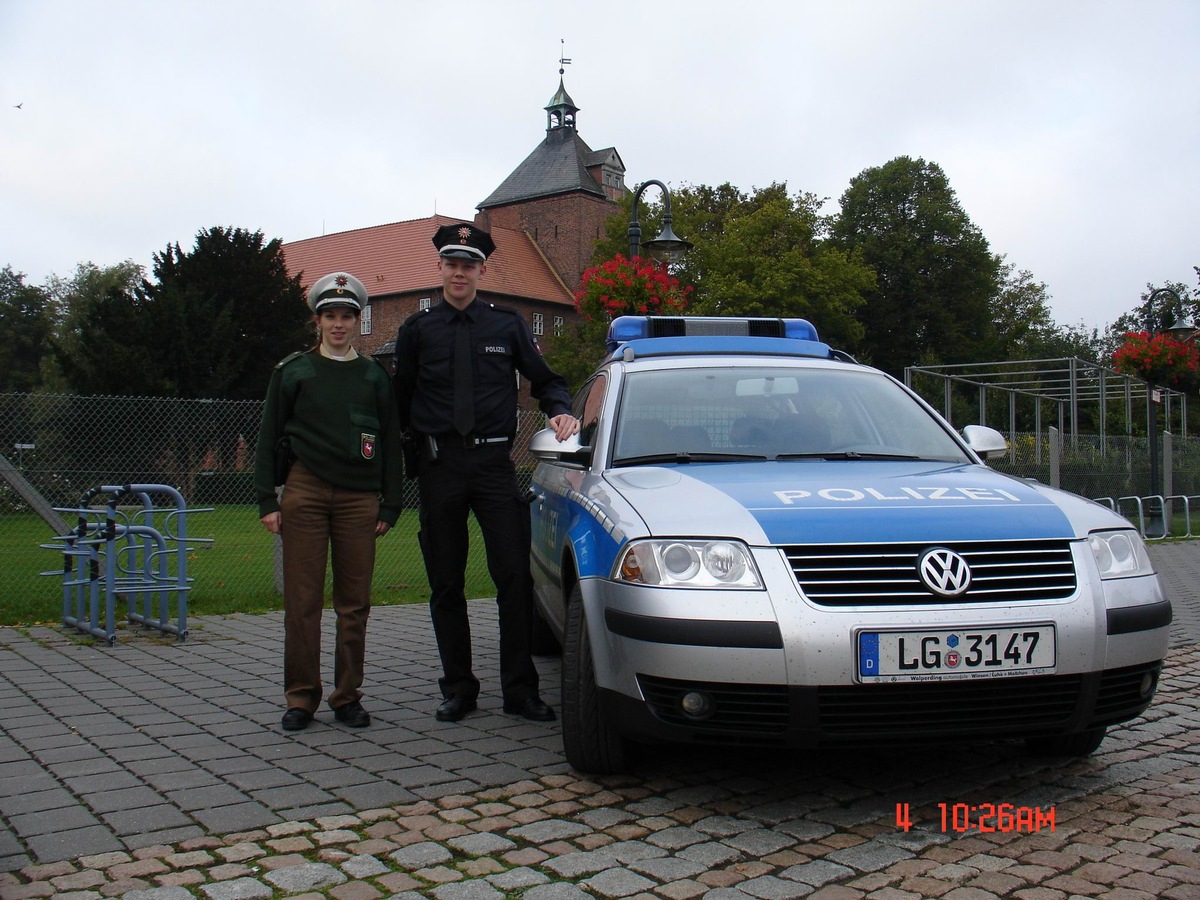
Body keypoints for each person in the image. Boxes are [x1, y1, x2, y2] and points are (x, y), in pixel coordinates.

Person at [393, 223, 579, 722]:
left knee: (515, 578)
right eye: (452, 264)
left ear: (481, 270)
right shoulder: (416, 331)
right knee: (446, 582)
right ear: (440, 269)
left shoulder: (507, 325)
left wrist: (559, 409)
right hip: (439, 467)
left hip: (494, 466)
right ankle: (458, 688)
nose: (459, 272)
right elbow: (399, 400)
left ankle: (520, 690)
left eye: (468, 265)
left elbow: (546, 381)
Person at [254, 271, 403, 732]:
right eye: (329, 316)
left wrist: (389, 504)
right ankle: (301, 697)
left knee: (353, 603)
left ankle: (347, 695)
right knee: (302, 602)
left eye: (346, 316)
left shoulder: (374, 375)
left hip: (360, 500)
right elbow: (268, 438)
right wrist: (267, 501)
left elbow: (392, 442)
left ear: (358, 321)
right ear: (317, 321)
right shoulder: (293, 372)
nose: (338, 324)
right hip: (305, 491)